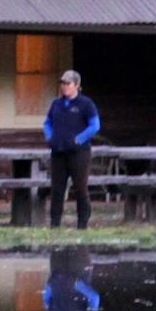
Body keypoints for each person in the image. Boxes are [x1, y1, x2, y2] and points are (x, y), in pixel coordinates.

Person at [42, 68, 101, 230]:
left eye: (68, 83)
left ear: (77, 85)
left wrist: (79, 139)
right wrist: (49, 136)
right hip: (58, 152)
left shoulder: (86, 104)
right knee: (57, 189)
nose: (64, 87)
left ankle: (82, 224)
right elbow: (47, 122)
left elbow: (95, 125)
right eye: (63, 83)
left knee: (81, 188)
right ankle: (55, 224)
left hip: (79, 153)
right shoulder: (57, 104)